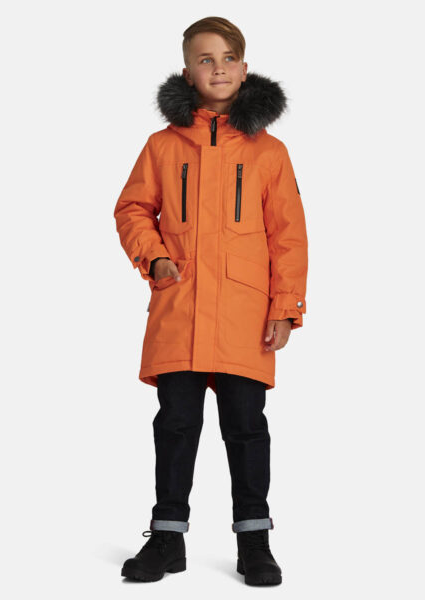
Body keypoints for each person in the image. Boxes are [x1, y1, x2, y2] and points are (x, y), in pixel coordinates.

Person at [114, 16, 308, 586]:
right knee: (176, 425)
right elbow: (132, 210)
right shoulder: (163, 146)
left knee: (246, 427)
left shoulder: (270, 152)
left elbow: (289, 236)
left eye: (226, 58)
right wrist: (154, 257)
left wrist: (285, 307)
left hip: (245, 316)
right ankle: (167, 538)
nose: (217, 68)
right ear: (187, 72)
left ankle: (254, 541)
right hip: (180, 308)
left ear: (244, 70)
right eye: (205, 59)